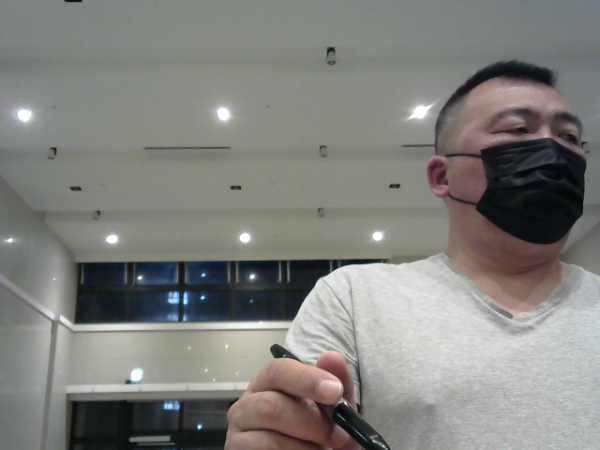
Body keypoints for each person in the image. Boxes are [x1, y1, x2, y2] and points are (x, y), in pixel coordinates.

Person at [225, 60, 600, 449]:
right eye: (518, 129)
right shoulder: (354, 299)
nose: (554, 148)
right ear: (442, 177)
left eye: (570, 136)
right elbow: (299, 425)